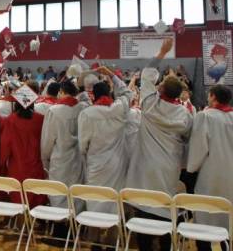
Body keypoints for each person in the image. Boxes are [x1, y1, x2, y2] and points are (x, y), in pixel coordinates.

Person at [126, 38, 193, 251]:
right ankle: (165, 245)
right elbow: (188, 138)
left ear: (160, 89)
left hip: (146, 164)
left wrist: (162, 52)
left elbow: (147, 74)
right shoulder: (185, 114)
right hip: (169, 165)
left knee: (144, 204)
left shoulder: (149, 103)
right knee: (164, 204)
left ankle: (145, 246)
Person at [78, 67, 134, 213]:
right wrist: (111, 74)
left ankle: (95, 229)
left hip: (96, 162)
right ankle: (113, 231)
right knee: (114, 199)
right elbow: (128, 93)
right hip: (117, 162)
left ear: (93, 96)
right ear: (110, 93)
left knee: (95, 198)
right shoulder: (120, 108)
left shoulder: (87, 114)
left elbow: (82, 145)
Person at [187, 85, 233, 251]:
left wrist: (191, 167)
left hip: (211, 174)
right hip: (230, 176)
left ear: (213, 97)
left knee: (206, 216)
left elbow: (199, 148)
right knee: (226, 217)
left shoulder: (205, 116)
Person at [41, 79, 88, 207]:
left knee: (59, 192)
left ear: (61, 92)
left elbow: (47, 139)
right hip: (78, 156)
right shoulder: (83, 107)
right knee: (77, 190)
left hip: (60, 157)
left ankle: (60, 222)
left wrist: (45, 158)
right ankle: (76, 222)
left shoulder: (54, 111)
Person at [1, 81, 47, 206]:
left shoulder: (10, 120)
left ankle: (22, 225)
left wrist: (2, 166)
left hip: (18, 167)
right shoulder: (40, 119)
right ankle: (35, 224)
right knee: (36, 199)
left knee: (20, 201)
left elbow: (5, 146)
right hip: (36, 166)